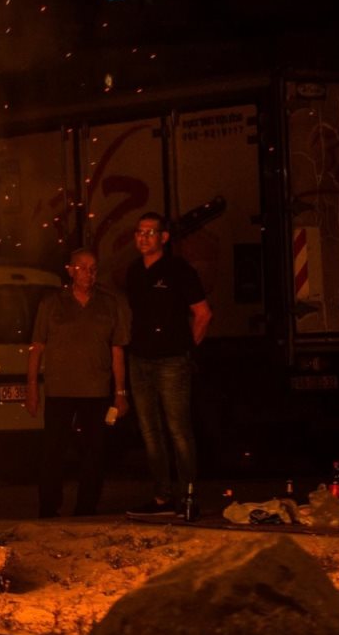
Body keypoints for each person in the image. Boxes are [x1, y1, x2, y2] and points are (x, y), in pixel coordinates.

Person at [26, 249, 130, 516]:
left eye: (93, 268)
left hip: (96, 391)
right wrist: (32, 390)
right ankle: (49, 506)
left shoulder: (109, 304)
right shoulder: (51, 304)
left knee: (94, 453)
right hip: (60, 390)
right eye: (82, 267)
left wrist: (120, 393)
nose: (88, 273)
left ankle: (86, 506)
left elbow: (117, 349)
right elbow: (37, 348)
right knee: (52, 451)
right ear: (70, 270)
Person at [124, 212, 212, 516]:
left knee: (178, 428)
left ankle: (188, 495)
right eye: (139, 232)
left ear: (164, 238)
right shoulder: (134, 272)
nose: (143, 237)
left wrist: (184, 348)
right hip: (140, 360)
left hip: (171, 362)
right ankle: (162, 497)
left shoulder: (178, 270)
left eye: (150, 232)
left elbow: (203, 314)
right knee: (150, 431)